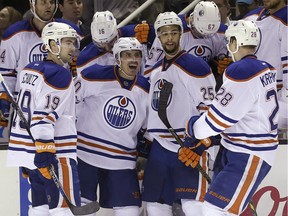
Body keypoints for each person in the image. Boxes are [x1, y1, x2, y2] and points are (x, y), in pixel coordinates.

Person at [179, 20, 279, 216]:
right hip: (236, 148)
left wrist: (193, 130)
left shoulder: (241, 71)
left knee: (214, 208)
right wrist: (205, 140)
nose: (227, 47)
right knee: (216, 207)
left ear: (235, 41)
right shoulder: (266, 68)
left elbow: (217, 120)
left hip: (249, 153)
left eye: (229, 41)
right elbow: (239, 114)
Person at [142, 11, 216, 216]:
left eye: (174, 33)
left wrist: (201, 144)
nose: (169, 38)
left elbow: (209, 108)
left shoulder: (196, 66)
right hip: (159, 148)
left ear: (181, 34)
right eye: (164, 34)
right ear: (158, 36)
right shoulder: (154, 71)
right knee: (156, 204)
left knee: (193, 204)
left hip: (188, 145)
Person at [6, 21, 81, 216]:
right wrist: (45, 153)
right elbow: (43, 117)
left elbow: (27, 113)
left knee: (39, 209)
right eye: (68, 43)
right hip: (54, 154)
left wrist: (28, 156)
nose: (73, 48)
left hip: (30, 153)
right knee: (65, 210)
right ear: (53, 44)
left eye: (73, 43)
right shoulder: (59, 75)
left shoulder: (30, 69)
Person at [76, 37, 150, 215]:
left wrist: (144, 152)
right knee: (83, 209)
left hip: (122, 159)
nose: (133, 60)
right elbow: (69, 102)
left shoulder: (146, 88)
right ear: (117, 59)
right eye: (127, 55)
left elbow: (148, 127)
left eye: (136, 55)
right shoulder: (92, 75)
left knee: (131, 209)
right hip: (85, 155)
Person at [0, 0, 82, 128]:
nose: (48, 6)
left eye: (51, 2)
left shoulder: (71, 31)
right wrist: (4, 98)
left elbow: (78, 70)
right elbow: (6, 74)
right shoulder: (14, 34)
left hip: (60, 105)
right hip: (26, 108)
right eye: (43, 2)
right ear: (32, 5)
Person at [144, 1, 228, 80]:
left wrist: (225, 64)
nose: (205, 37)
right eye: (200, 33)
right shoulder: (171, 31)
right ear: (192, 21)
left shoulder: (222, 32)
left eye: (209, 35)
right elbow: (150, 69)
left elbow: (223, 61)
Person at [243, 0, 287, 131]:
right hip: (256, 94)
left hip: (276, 96)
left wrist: (283, 100)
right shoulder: (255, 16)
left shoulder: (285, 19)